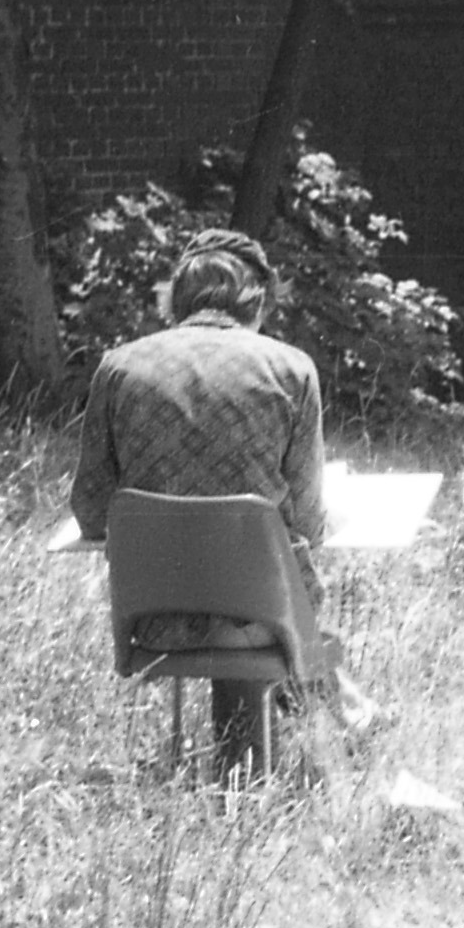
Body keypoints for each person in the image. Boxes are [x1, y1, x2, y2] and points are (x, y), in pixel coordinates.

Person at [71, 227, 332, 781]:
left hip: (154, 618)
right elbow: (310, 520)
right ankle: (323, 729)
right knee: (299, 614)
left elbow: (90, 511)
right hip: (264, 620)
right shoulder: (291, 369)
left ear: (176, 300)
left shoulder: (119, 368)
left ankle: (312, 727)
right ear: (257, 302)